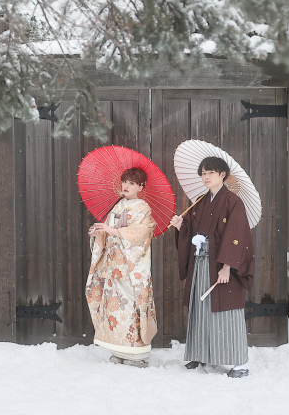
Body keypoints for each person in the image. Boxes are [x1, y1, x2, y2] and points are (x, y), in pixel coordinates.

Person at [169, 156, 255, 378]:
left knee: (227, 312)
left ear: (223, 175)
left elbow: (237, 236)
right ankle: (200, 353)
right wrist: (181, 227)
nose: (206, 177)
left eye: (211, 173)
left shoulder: (233, 202)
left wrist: (227, 266)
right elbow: (191, 229)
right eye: (203, 173)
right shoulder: (200, 200)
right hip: (200, 264)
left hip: (220, 265)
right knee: (201, 309)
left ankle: (238, 363)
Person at [86, 167, 157, 368]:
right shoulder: (117, 206)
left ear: (141, 187)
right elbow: (109, 231)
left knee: (132, 305)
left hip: (131, 267)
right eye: (125, 182)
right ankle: (119, 350)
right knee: (115, 307)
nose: (126, 186)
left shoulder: (143, 208)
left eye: (132, 183)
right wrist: (99, 232)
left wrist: (112, 230)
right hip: (113, 264)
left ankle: (137, 354)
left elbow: (142, 233)